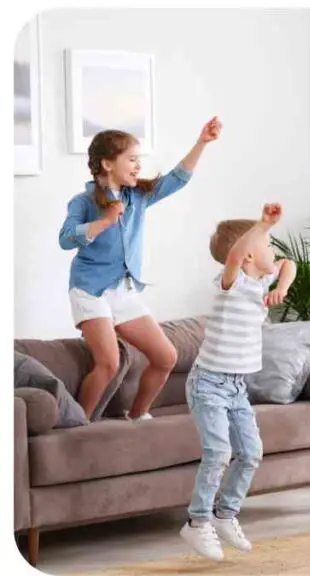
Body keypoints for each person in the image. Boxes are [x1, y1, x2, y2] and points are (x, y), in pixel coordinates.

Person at [58, 118, 222, 421]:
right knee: (107, 363)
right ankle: (76, 427)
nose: (137, 166)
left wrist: (202, 142)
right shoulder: (82, 202)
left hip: (123, 290)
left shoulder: (138, 197)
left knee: (166, 357)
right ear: (107, 164)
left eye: (138, 160)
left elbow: (178, 178)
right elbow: (66, 239)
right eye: (132, 159)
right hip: (89, 289)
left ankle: (136, 417)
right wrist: (105, 221)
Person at [178, 204, 296, 561]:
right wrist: (261, 224)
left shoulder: (262, 282)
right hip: (208, 384)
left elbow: (290, 264)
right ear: (247, 256)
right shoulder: (231, 283)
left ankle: (225, 514)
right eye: (267, 243)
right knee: (218, 452)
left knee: (251, 453)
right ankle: (197, 523)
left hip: (236, 387)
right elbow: (232, 257)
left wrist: (282, 289)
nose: (273, 250)